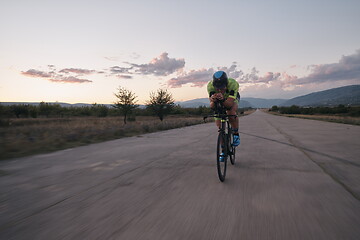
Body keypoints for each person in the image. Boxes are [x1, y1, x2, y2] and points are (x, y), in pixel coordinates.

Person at [207, 71, 240, 160]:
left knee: (231, 112)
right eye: (217, 88)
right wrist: (213, 100)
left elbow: (229, 104)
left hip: (231, 99)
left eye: (222, 87)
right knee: (220, 127)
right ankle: (223, 149)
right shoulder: (210, 86)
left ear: (226, 84)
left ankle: (236, 134)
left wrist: (223, 99)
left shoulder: (233, 84)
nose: (220, 90)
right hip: (218, 100)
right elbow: (212, 106)